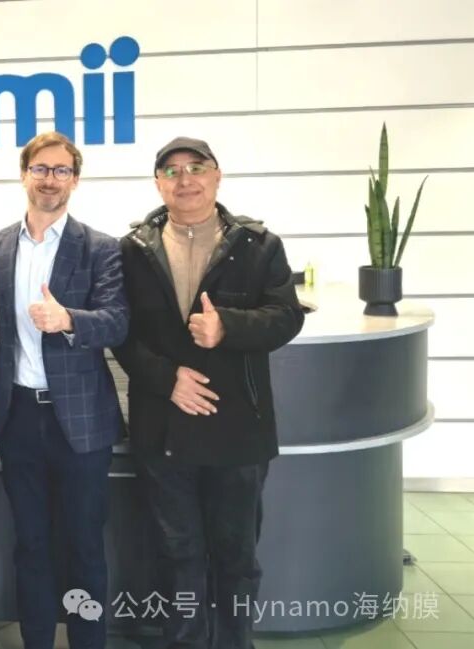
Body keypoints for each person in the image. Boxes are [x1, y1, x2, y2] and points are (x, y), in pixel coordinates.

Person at [114, 137, 304, 649]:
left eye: (196, 168)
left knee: (236, 557)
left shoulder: (258, 245)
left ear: (217, 176)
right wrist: (167, 378)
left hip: (238, 429)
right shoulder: (132, 250)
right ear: (158, 184)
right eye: (171, 171)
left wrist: (228, 328)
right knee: (177, 553)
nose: (185, 180)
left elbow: (286, 316)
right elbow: (122, 334)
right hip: (163, 427)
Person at [0, 131, 129, 649]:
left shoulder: (101, 248)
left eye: (62, 170)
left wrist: (68, 320)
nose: (50, 179)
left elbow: (118, 322)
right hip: (17, 418)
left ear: (75, 181)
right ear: (24, 175)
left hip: (82, 424)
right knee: (31, 546)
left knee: (84, 546)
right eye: (40, 168)